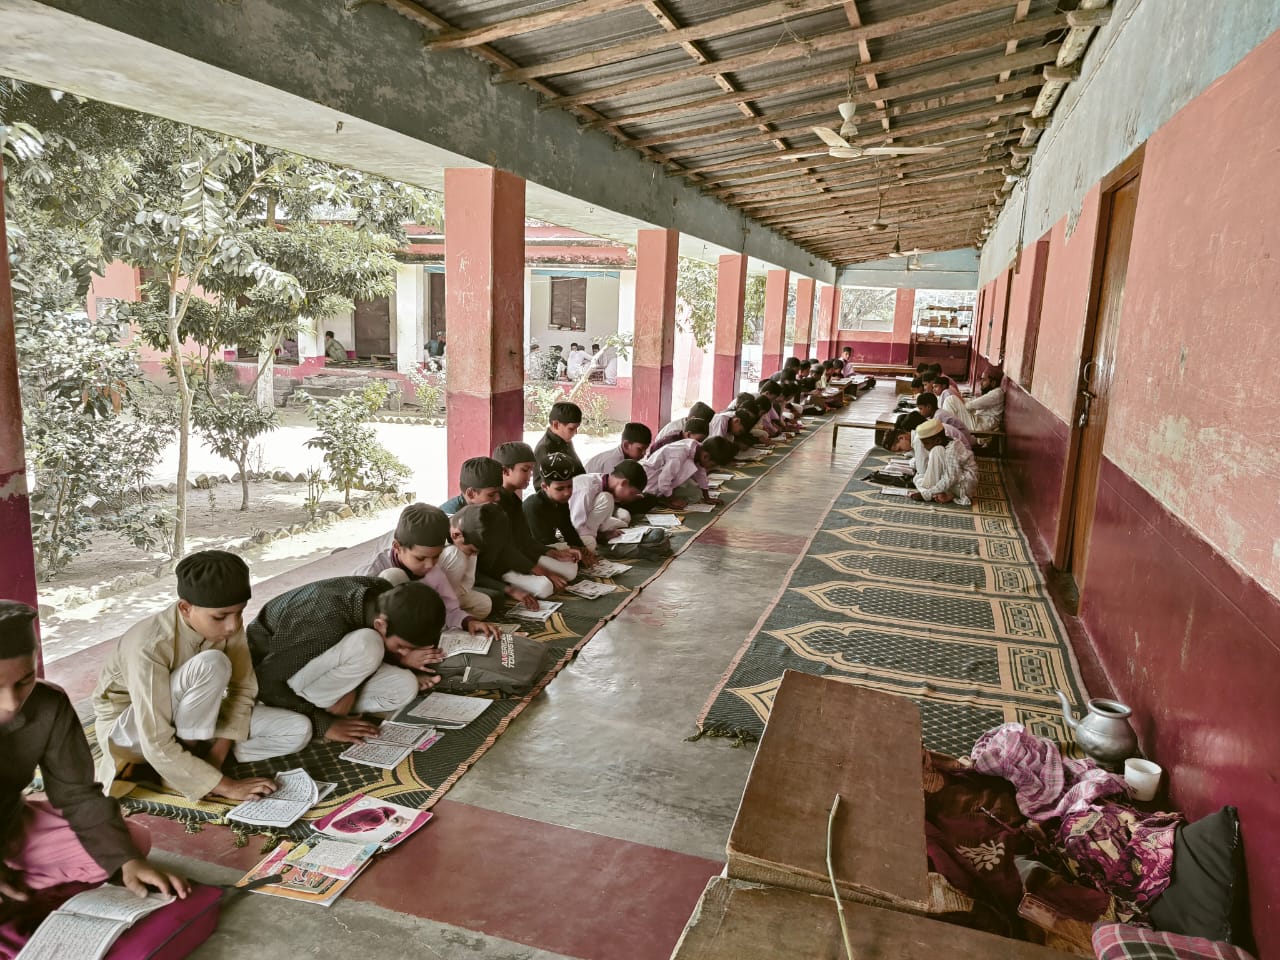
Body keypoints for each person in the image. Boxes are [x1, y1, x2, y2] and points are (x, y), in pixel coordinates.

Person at [2, 601, 189, 902]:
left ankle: (14, 875)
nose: (11, 703)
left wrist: (127, 861)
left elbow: (77, 794)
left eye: (24, 681)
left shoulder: (49, 705)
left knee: (129, 847)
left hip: (9, 823)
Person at [93, 551, 310, 802]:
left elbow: (242, 690)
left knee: (298, 730)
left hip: (196, 721)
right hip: (132, 732)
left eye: (239, 613)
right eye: (220, 617)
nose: (232, 625)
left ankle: (194, 765)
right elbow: (154, 738)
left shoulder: (229, 625)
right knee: (211, 664)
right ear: (185, 608)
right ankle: (179, 768)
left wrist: (216, 759)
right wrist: (227, 786)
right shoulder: (149, 645)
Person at [248, 578, 446, 744]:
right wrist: (325, 725)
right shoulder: (324, 622)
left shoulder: (381, 593)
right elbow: (265, 680)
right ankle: (320, 714)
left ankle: (338, 704)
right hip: (272, 680)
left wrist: (354, 687)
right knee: (368, 643)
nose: (405, 653)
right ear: (381, 624)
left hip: (324, 671)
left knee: (405, 686)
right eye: (403, 647)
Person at [357, 503, 503, 639]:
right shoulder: (372, 572)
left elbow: (450, 608)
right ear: (397, 547)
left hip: (414, 624)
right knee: (394, 576)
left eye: (436, 557)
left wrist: (468, 622)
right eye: (420, 558)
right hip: (379, 633)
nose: (429, 565)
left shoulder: (434, 571)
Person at [494, 441, 578, 586]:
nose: (530, 476)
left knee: (570, 568)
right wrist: (544, 571)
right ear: (505, 471)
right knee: (545, 587)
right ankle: (507, 580)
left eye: (531, 470)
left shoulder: (514, 499)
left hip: (524, 554)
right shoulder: (495, 503)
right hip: (505, 562)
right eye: (525, 470)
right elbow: (507, 550)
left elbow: (525, 539)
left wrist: (552, 552)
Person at [524, 452, 594, 567]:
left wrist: (582, 548)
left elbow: (567, 528)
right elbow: (544, 542)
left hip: (553, 544)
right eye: (560, 488)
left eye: (570, 486)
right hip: (536, 550)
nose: (567, 493)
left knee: (590, 542)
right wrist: (573, 552)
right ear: (544, 487)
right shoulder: (533, 506)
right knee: (570, 568)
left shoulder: (561, 501)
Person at [570, 460, 648, 552]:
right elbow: (576, 524)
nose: (630, 498)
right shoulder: (587, 488)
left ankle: (597, 535)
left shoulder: (603, 482)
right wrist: (601, 536)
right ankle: (594, 538)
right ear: (623, 483)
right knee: (590, 545)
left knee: (624, 521)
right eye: (631, 493)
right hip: (576, 527)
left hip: (589, 520)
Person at [639, 436, 735, 508]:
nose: (711, 468)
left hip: (666, 482)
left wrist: (707, 497)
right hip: (650, 483)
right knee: (690, 489)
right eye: (713, 465)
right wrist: (672, 499)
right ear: (706, 457)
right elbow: (663, 480)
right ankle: (662, 499)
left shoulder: (699, 449)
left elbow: (701, 474)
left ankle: (665, 496)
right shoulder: (679, 454)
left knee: (696, 494)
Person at [910, 419, 978, 505]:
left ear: (938, 440)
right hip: (955, 481)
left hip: (964, 485)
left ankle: (932, 493)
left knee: (936, 452)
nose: (924, 447)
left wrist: (926, 495)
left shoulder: (952, 450)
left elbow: (951, 478)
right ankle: (942, 493)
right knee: (917, 479)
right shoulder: (947, 443)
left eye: (926, 443)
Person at [533, 401, 585, 486]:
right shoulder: (545, 448)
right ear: (556, 424)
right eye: (571, 429)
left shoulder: (566, 441)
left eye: (577, 428)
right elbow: (542, 487)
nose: (575, 433)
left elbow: (579, 471)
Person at [439, 455, 504, 516]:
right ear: (471, 494)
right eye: (491, 495)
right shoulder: (450, 519)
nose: (498, 498)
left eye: (499, 492)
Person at [585, 422, 652, 474]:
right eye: (640, 449)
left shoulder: (626, 460)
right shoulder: (613, 461)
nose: (644, 453)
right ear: (626, 445)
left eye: (646, 449)